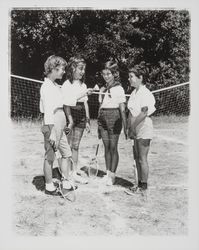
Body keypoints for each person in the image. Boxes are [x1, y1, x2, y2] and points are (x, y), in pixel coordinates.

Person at [40, 55, 76, 196]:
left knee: (66, 153)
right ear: (53, 69)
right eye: (61, 69)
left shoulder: (55, 85)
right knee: (50, 156)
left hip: (60, 123)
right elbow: (48, 111)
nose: (63, 72)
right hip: (52, 124)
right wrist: (53, 132)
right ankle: (49, 187)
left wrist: (84, 93)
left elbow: (66, 100)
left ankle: (66, 181)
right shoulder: (46, 86)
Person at [125, 62, 156, 194]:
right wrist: (129, 127)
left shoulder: (145, 93)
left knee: (142, 158)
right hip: (135, 127)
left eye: (131, 76)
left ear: (140, 77)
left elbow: (143, 113)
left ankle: (143, 186)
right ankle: (138, 184)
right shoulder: (133, 93)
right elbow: (131, 112)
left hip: (143, 127)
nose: (129, 79)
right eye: (129, 76)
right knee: (136, 157)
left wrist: (132, 126)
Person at [62, 55, 92, 184]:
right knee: (67, 146)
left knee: (76, 146)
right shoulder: (66, 84)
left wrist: (87, 120)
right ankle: (66, 172)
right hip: (69, 117)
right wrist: (70, 121)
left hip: (81, 118)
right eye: (80, 68)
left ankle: (74, 172)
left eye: (84, 69)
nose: (82, 72)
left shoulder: (83, 85)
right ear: (73, 68)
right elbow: (67, 103)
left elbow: (85, 103)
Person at [97, 60, 127, 186]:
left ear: (114, 74)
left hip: (114, 117)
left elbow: (122, 108)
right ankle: (108, 173)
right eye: (104, 74)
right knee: (106, 147)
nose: (106, 76)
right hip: (102, 117)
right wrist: (98, 124)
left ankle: (113, 175)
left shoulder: (119, 88)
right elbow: (100, 105)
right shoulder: (103, 88)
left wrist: (125, 126)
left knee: (113, 148)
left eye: (109, 73)